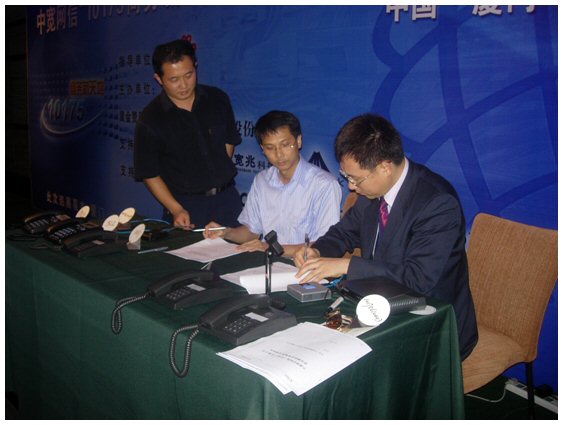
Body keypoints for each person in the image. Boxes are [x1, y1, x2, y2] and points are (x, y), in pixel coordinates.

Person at [294, 113, 478, 359]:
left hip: (431, 324)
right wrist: (318, 250)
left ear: (384, 167)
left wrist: (345, 266)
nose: (351, 186)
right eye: (346, 176)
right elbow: (344, 233)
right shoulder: (372, 192)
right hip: (377, 305)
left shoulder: (437, 203)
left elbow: (418, 280)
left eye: (355, 179)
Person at [134, 38, 242, 229]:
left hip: (227, 201)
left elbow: (228, 142)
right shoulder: (151, 119)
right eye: (174, 80)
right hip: (187, 208)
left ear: (196, 67)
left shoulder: (217, 99)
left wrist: (215, 175)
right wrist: (176, 209)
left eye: (189, 75)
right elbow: (149, 173)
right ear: (158, 79)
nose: (183, 85)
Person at [204, 110, 342, 257]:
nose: (279, 154)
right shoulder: (262, 180)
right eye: (270, 148)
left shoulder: (324, 185)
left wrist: (269, 248)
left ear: (299, 141)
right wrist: (226, 232)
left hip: (305, 266)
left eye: (285, 145)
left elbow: (325, 246)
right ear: (262, 149)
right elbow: (251, 232)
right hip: (265, 263)